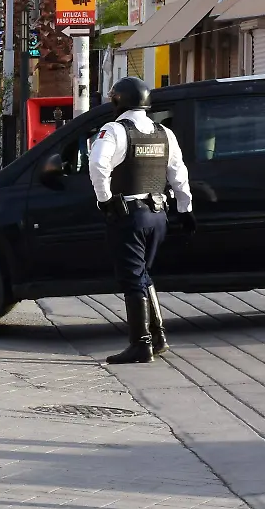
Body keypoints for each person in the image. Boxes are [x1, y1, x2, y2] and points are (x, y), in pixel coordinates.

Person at [88, 76, 195, 365]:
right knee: (143, 275)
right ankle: (157, 336)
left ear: (118, 100)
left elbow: (98, 164)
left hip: (130, 216)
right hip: (158, 215)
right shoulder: (163, 133)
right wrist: (185, 209)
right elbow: (178, 174)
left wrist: (105, 199)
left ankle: (140, 344)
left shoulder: (114, 130)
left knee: (132, 279)